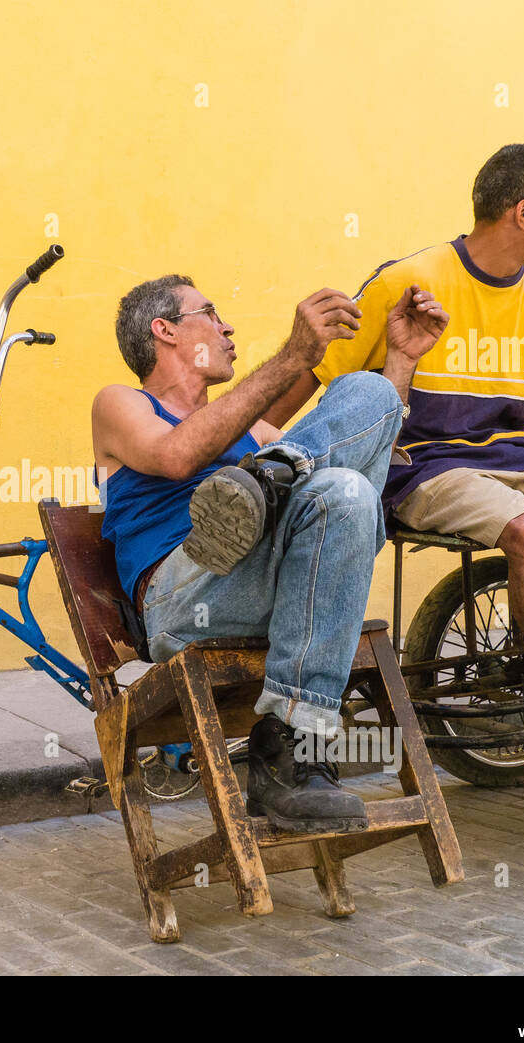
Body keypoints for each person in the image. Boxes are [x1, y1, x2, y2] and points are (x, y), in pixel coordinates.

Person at [266, 143, 524, 785]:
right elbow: (318, 379)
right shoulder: (408, 280)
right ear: (522, 211)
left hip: (510, 460)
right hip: (423, 468)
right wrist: (248, 446)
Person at [91, 275, 447, 831]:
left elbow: (366, 450)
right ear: (164, 331)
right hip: (185, 597)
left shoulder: (253, 431)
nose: (227, 325)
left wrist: (400, 360)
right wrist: (293, 357)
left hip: (269, 588)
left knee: (360, 440)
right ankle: (262, 485)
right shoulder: (122, 403)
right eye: (210, 312)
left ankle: (288, 751)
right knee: (333, 483)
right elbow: (178, 456)